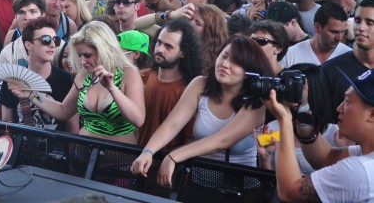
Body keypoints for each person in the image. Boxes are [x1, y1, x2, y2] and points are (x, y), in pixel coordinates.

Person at [131, 35, 276, 187]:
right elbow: (172, 124)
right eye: (224, 56)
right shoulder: (200, 84)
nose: (225, 64)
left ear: (250, 72)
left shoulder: (257, 101)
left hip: (240, 189)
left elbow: (222, 141)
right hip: (199, 183)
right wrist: (148, 152)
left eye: (236, 62)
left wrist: (173, 156)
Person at [8, 20, 145, 143]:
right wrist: (31, 94)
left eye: (87, 55)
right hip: (85, 152)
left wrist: (112, 89)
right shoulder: (84, 74)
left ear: (104, 49)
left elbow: (138, 119)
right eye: (79, 55)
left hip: (118, 155)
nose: (82, 61)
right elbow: (63, 110)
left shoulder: (128, 73)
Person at [265, 68, 374, 202]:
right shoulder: (366, 158)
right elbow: (326, 158)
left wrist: (284, 119)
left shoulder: (360, 171)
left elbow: (289, 192)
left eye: (347, 102)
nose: (339, 108)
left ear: (372, 114)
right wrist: (303, 107)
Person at [137, 19, 205, 148]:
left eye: (168, 46)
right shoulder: (141, 77)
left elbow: (189, 142)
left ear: (183, 52)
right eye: (159, 42)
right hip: (132, 154)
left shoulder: (189, 91)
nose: (160, 49)